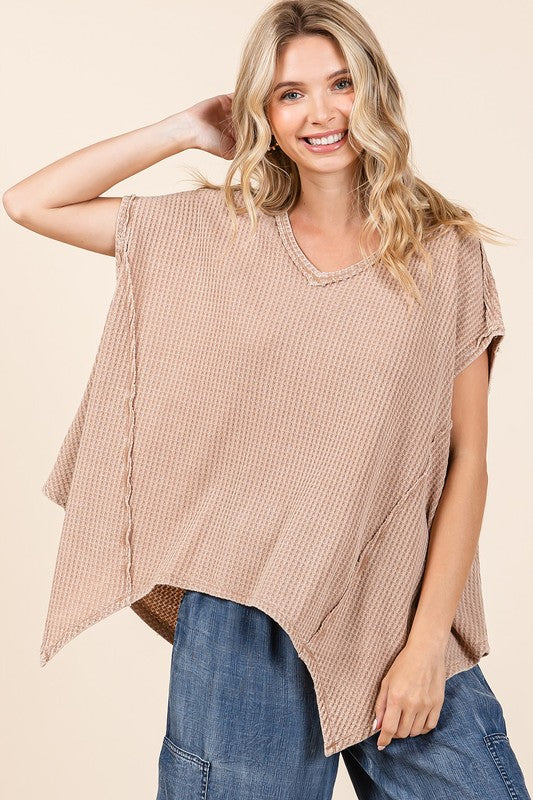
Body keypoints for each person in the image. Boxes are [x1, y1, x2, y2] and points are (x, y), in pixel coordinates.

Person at [3, 1, 530, 798]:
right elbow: (31, 202)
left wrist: (427, 644)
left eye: (340, 84)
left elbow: (467, 460)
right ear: (262, 114)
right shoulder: (218, 230)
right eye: (289, 94)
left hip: (397, 607)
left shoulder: (443, 254)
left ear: (375, 91)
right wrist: (184, 128)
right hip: (243, 618)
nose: (320, 113)